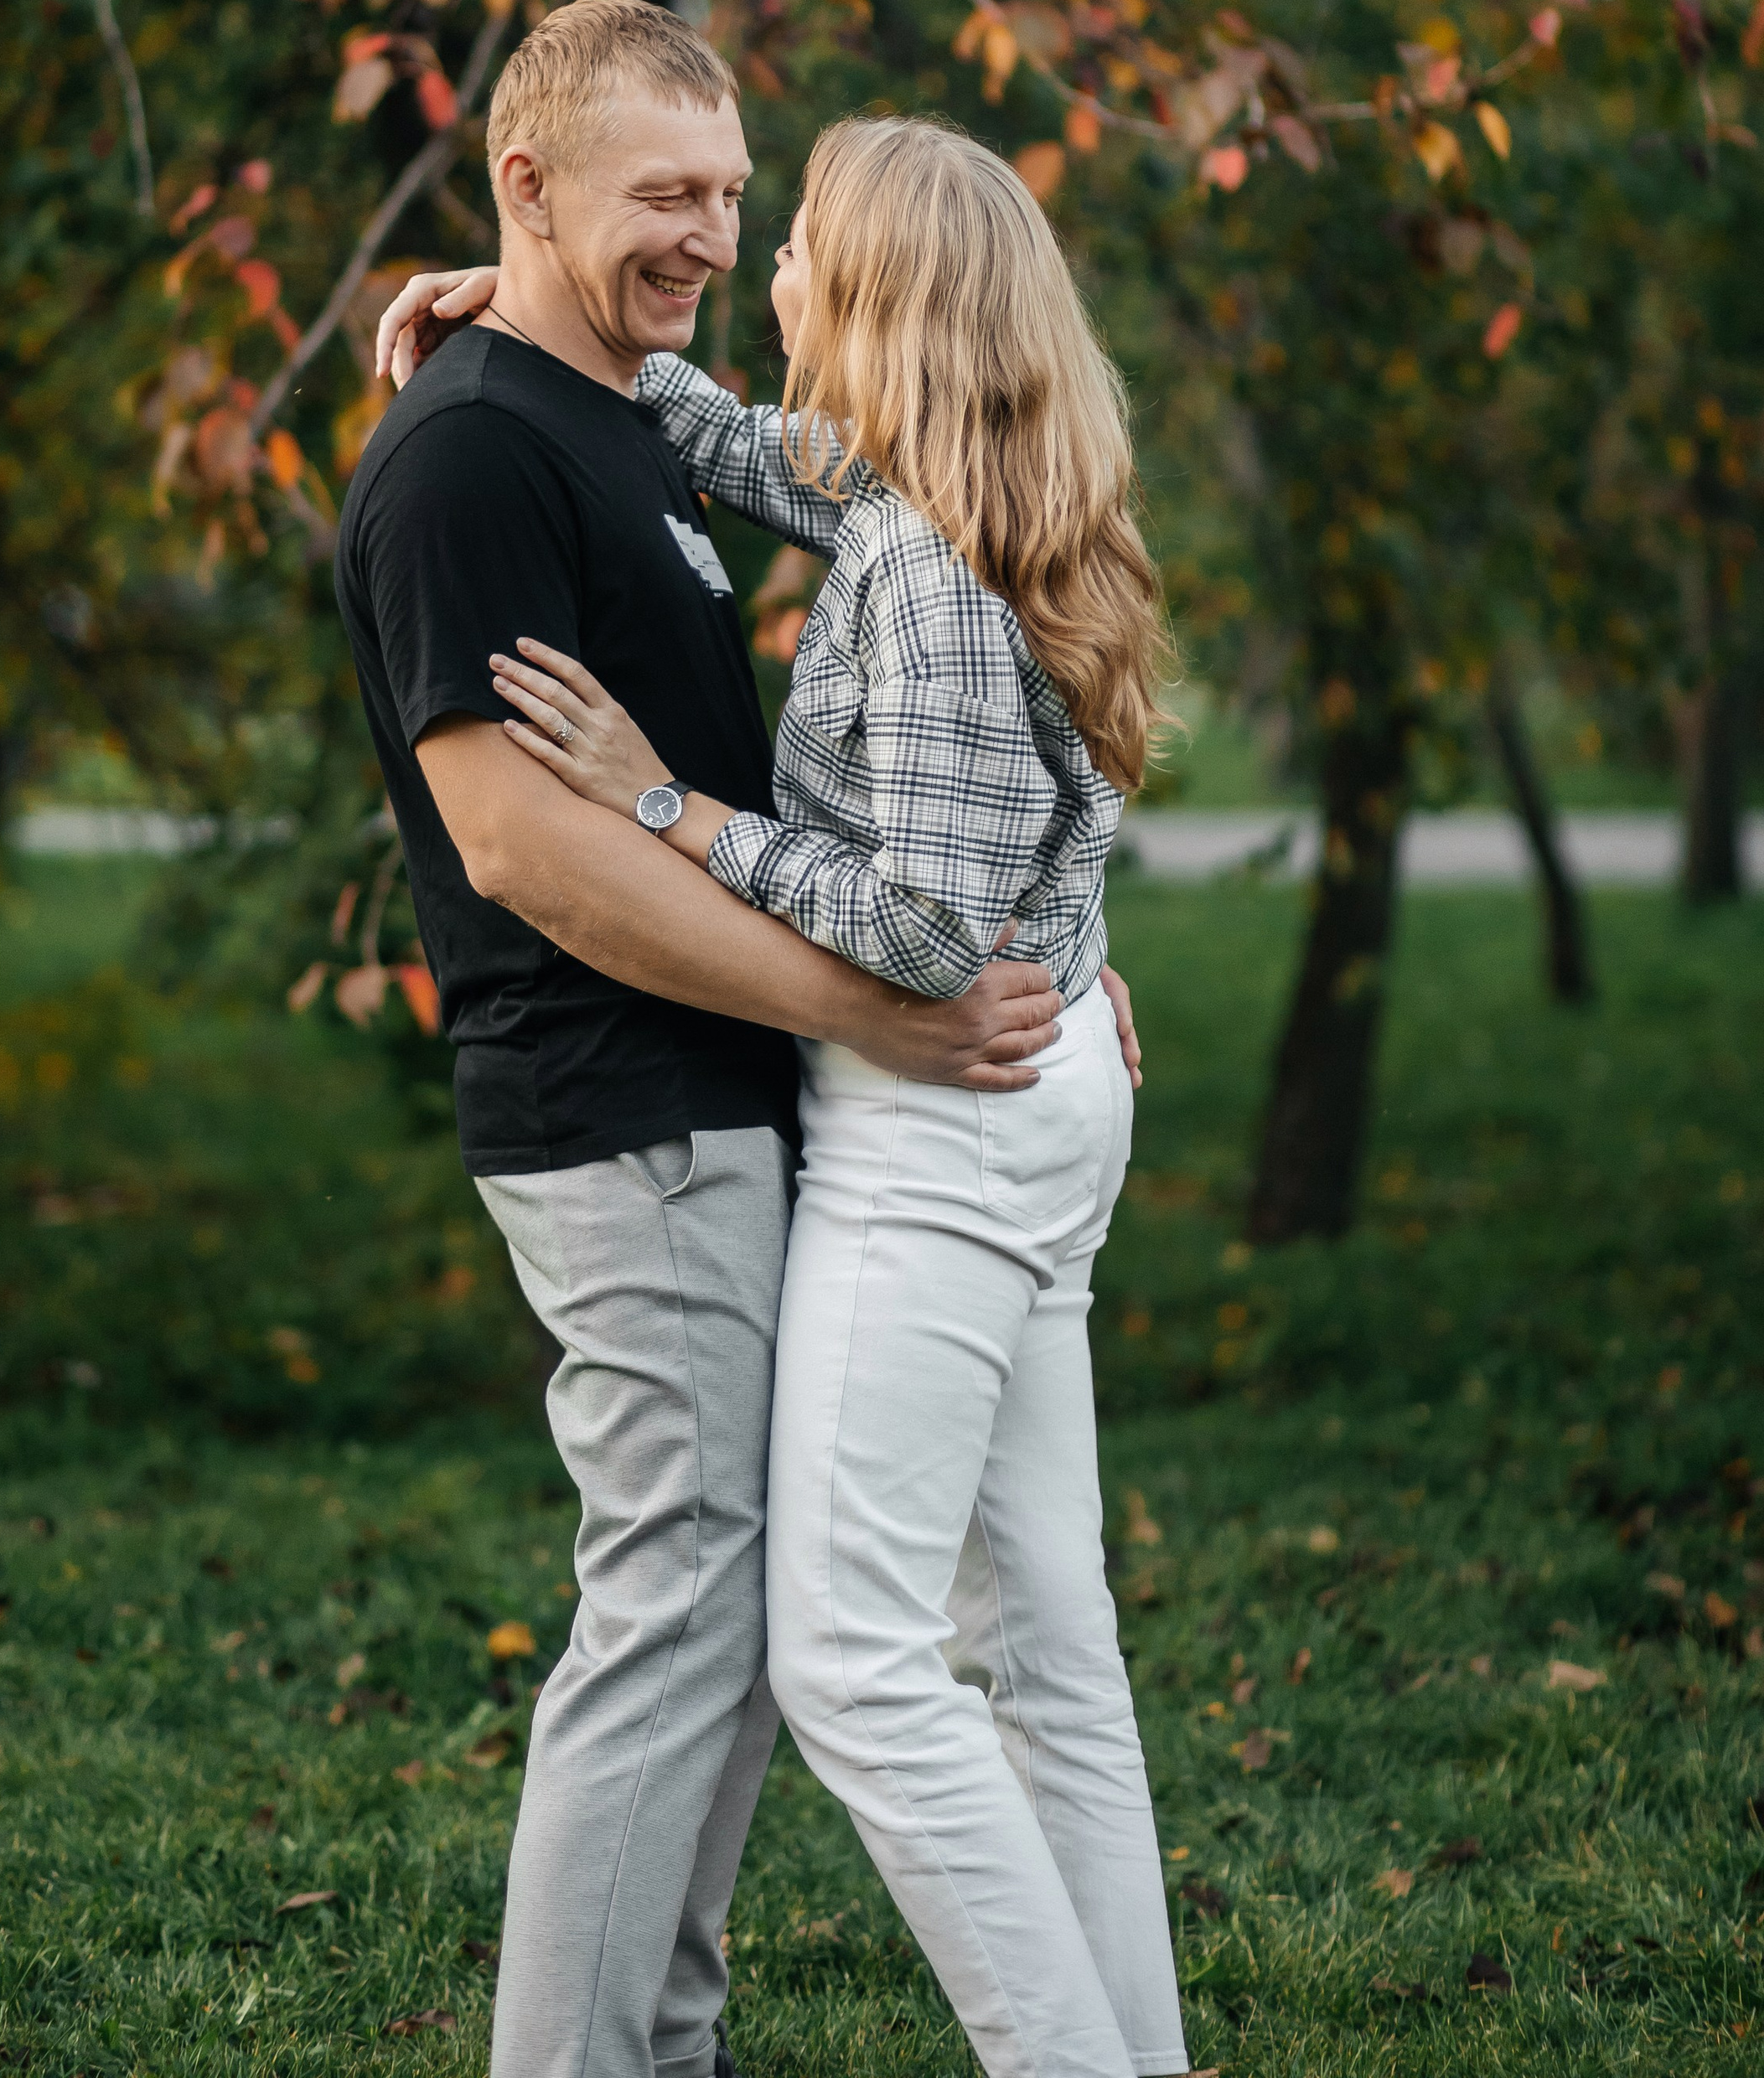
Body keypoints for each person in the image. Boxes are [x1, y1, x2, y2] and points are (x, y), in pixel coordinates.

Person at [386, 111, 1187, 2078]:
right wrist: (539, 297)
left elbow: (918, 924)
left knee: (854, 1663)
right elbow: (748, 447)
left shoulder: (914, 573)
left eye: (794, 236)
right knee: (1045, 1648)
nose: (765, 268)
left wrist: (668, 803)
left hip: (955, 1122)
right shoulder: (951, 478)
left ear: (889, 296)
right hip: (1049, 1085)